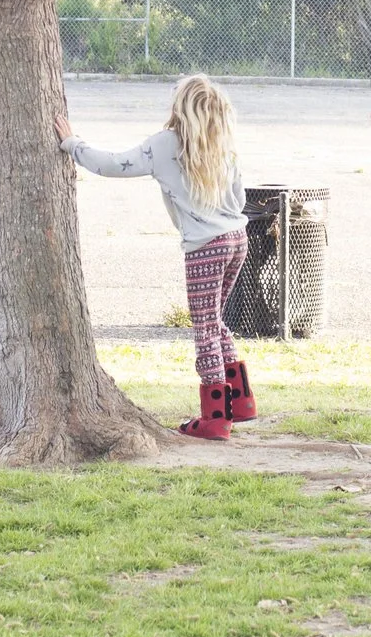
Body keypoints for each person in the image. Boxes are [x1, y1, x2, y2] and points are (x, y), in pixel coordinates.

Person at [56, 75, 257, 440]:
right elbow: (240, 199)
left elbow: (113, 164)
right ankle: (240, 402)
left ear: (181, 108)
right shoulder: (224, 145)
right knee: (216, 322)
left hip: (204, 248)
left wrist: (72, 144)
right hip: (236, 239)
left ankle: (215, 417)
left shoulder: (167, 144)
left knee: (205, 330)